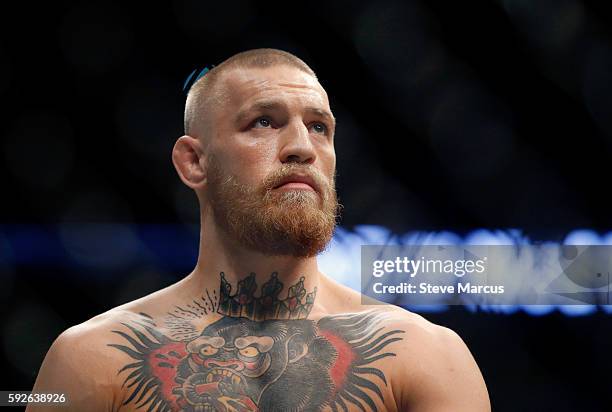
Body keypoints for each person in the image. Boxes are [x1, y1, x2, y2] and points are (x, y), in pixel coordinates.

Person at [28, 48, 490, 412]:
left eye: (319, 127)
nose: (302, 148)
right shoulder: (92, 358)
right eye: (264, 122)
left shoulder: (426, 357)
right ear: (194, 161)